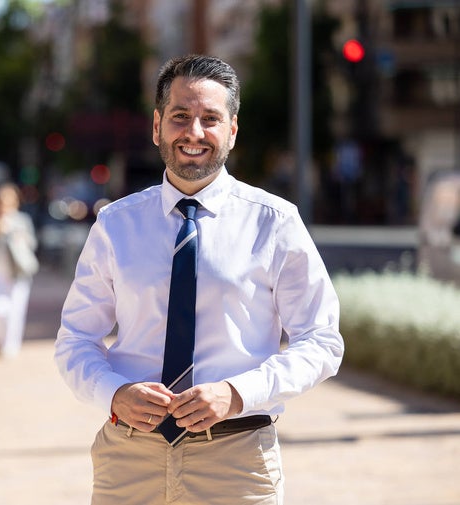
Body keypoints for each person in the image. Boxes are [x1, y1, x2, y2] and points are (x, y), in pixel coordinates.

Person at [54, 55, 344, 504]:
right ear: (157, 127)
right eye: (180, 117)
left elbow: (322, 340)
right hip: (129, 459)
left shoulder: (275, 222)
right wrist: (114, 393)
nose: (193, 133)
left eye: (210, 119)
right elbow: (75, 338)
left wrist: (236, 393)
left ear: (231, 130)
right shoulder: (115, 225)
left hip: (237, 461)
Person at [0, 182, 39, 358]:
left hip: (18, 271)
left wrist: (14, 235)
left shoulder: (22, 220)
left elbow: (32, 243)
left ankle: (10, 346)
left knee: (15, 310)